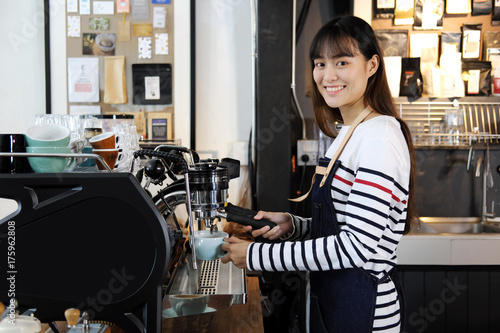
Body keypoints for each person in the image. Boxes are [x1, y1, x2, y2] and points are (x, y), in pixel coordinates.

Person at [221, 15, 416, 333]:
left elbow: (356, 246)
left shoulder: (380, 136)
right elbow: (342, 225)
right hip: (336, 303)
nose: (328, 75)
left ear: (371, 65)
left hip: (367, 312)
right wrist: (293, 225)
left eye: (342, 62)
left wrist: (258, 256)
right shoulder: (350, 131)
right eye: (319, 63)